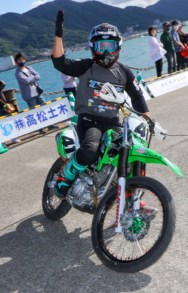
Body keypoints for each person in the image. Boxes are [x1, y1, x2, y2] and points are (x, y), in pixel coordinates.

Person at [51, 10, 150, 199]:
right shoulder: (87, 66)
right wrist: (58, 34)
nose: (105, 51)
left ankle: (132, 200)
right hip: (89, 120)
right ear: (92, 47)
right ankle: (65, 176)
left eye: (110, 45)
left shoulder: (124, 72)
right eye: (100, 45)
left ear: (118, 46)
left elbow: (137, 96)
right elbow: (60, 63)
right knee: (89, 151)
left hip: (113, 122)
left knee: (132, 152)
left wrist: (146, 117)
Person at [14, 53, 58, 133]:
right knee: (35, 112)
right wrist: (32, 77)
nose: (22, 61)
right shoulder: (17, 72)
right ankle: (41, 128)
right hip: (29, 95)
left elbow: (38, 76)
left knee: (45, 108)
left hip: (37, 92)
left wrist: (30, 78)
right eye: (19, 60)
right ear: (16, 63)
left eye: (22, 59)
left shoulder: (29, 68)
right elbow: (25, 81)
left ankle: (51, 124)